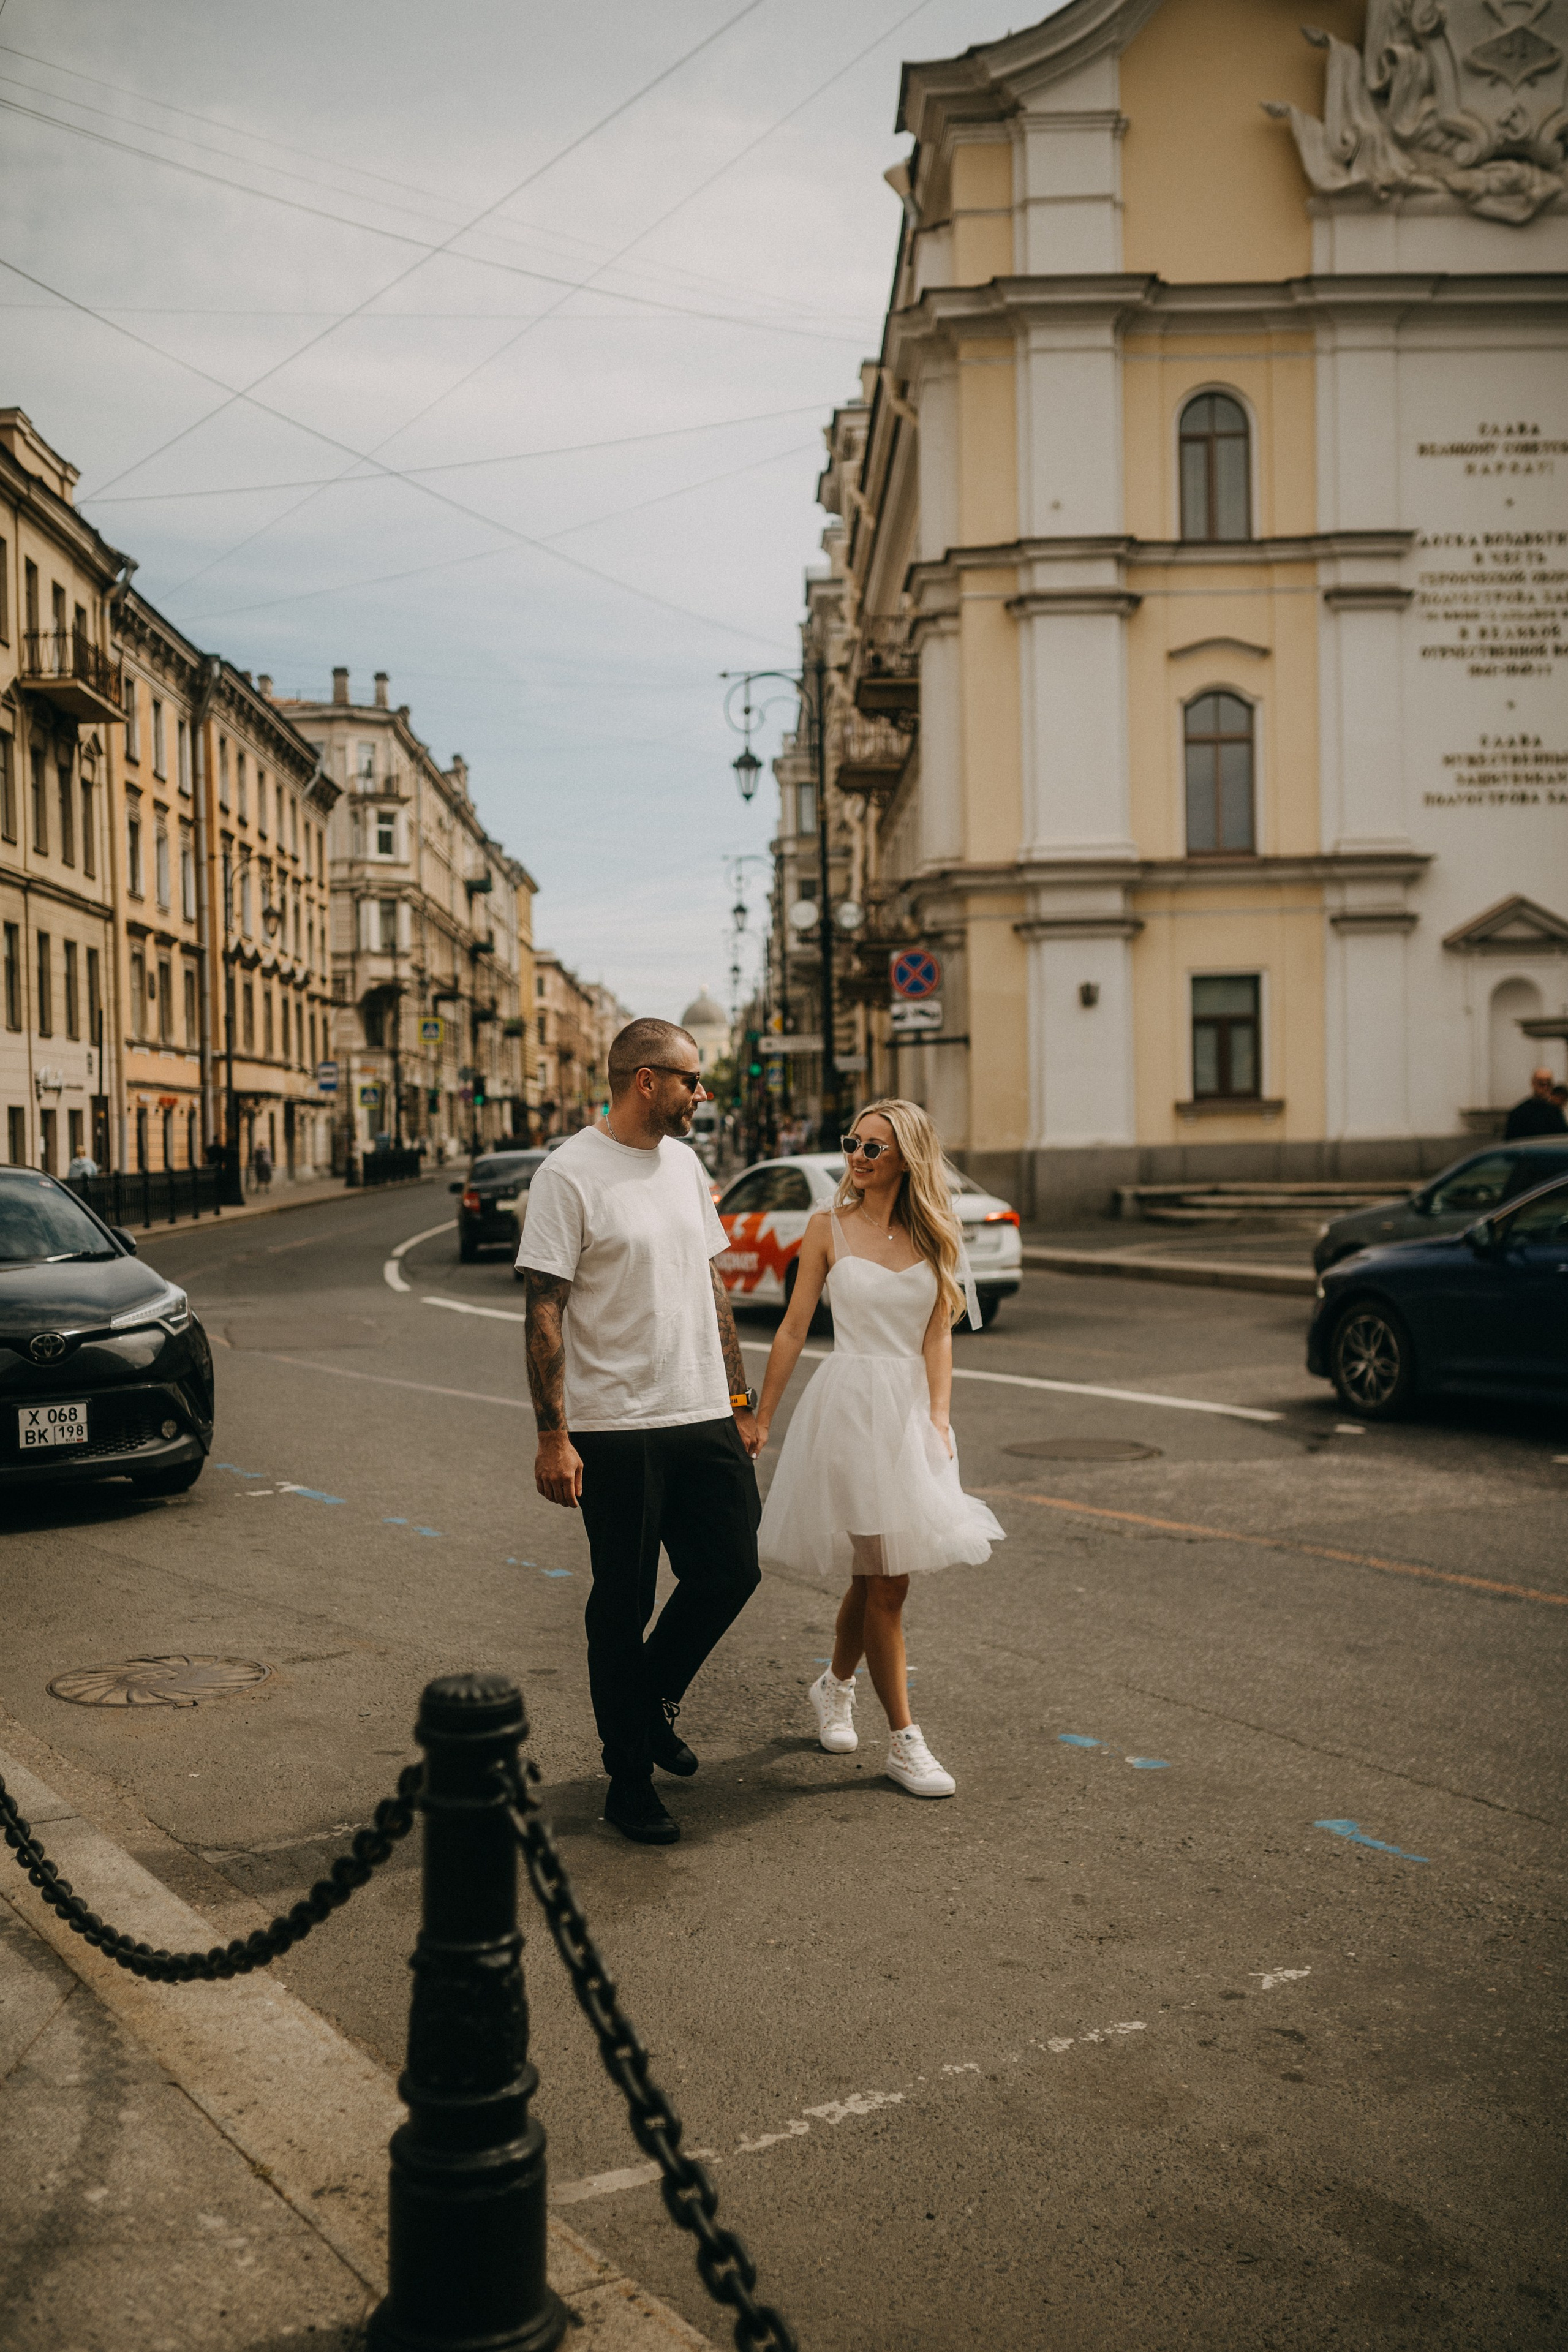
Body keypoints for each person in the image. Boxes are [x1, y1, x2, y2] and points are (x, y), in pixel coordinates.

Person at [519, 1017, 763, 1846]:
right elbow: (544, 1308)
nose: (703, 1093)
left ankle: (651, 1698)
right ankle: (628, 1782)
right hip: (616, 1425)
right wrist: (555, 1436)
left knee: (732, 1569)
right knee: (621, 1604)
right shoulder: (568, 1174)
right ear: (646, 1081)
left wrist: (738, 1397)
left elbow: (711, 1284)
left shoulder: (687, 1164)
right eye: (691, 1080)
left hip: (701, 1411)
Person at [753, 1098, 1003, 1800]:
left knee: (874, 1577)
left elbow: (938, 1331)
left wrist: (940, 1417)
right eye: (853, 1143)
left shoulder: (934, 1232)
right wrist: (759, 1416)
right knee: (888, 1579)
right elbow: (794, 1329)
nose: (858, 1157)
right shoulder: (825, 1227)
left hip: (909, 1417)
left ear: (905, 1159)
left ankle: (833, 1687)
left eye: (873, 1147)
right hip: (849, 1410)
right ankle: (904, 1740)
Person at [1504, 1067, 1568, 1140]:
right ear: (1533, 1083)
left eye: (1548, 1083)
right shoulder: (1520, 1113)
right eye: (1541, 1083)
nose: (1545, 1086)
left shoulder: (1555, 1111)